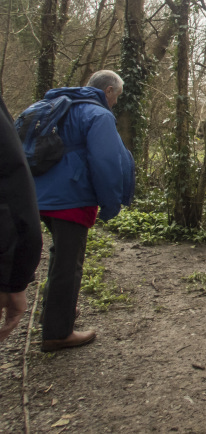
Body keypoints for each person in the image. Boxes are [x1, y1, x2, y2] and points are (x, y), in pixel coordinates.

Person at [35, 70, 135, 351]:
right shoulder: (98, 115)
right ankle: (58, 332)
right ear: (109, 92)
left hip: (41, 196)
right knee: (70, 262)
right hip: (71, 198)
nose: (116, 103)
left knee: (60, 255)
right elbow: (106, 163)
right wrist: (111, 202)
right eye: (117, 96)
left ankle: (53, 313)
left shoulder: (59, 106)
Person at [0, 94, 43, 342]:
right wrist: (14, 279)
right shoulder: (99, 116)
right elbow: (10, 181)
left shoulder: (43, 109)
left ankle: (57, 320)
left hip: (49, 200)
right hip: (75, 204)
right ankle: (59, 326)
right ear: (109, 91)